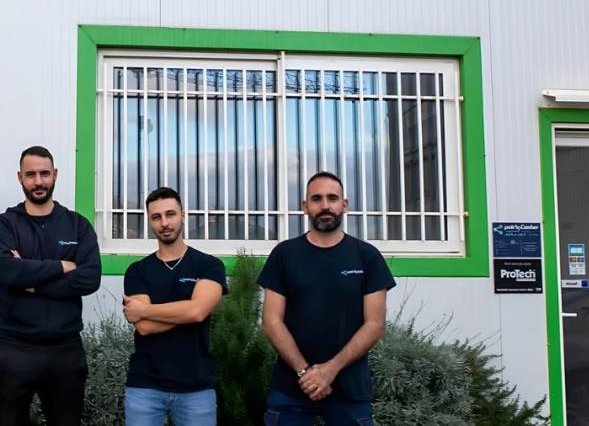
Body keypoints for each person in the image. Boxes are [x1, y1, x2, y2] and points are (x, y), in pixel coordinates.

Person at [260, 172, 395, 426]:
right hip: (291, 390)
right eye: (316, 199)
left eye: (332, 198)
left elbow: (375, 324)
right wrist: (306, 372)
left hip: (350, 392)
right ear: (305, 206)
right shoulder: (284, 255)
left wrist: (330, 370)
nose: (325, 205)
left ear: (344, 204)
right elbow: (271, 321)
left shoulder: (367, 256)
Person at [0, 145, 103, 426]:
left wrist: (33, 284)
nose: (38, 181)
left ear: (55, 175)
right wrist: (62, 266)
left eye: (44, 173)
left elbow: (90, 278)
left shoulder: (77, 225)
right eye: (31, 175)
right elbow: (8, 271)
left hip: (65, 350)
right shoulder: (5, 225)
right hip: (15, 348)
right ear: (20, 177)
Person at [120, 187, 227, 426]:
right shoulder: (137, 271)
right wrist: (187, 310)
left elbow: (198, 312)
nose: (164, 223)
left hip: (197, 388)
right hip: (145, 386)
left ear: (183, 215)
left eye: (170, 214)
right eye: (156, 217)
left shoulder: (209, 265)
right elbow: (145, 327)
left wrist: (145, 310)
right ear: (149, 221)